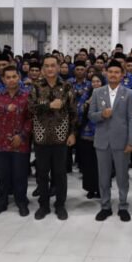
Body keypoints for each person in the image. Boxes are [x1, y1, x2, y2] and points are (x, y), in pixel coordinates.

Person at [28, 54, 78, 220]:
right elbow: (30, 108)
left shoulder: (67, 86)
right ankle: (43, 205)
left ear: (58, 67)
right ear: (43, 69)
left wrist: (72, 133)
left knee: (60, 174)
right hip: (41, 136)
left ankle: (60, 205)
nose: (50, 68)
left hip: (61, 137)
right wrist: (48, 105)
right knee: (42, 173)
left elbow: (73, 111)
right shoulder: (36, 87)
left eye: (53, 65)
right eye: (47, 66)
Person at [88, 60, 132, 221]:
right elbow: (91, 116)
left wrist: (131, 142)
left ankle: (123, 206)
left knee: (122, 177)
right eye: (110, 72)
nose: (113, 75)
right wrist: (102, 115)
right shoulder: (97, 92)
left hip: (122, 142)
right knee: (103, 177)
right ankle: (105, 206)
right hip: (102, 141)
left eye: (117, 72)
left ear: (122, 75)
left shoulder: (129, 93)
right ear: (106, 73)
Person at [0, 65, 32, 217]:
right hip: (1, 143)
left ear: (19, 78)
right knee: (2, 175)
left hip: (20, 143)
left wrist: (22, 136)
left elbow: (31, 119)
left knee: (20, 175)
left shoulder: (27, 96)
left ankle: (21, 201)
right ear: (3, 79)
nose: (11, 80)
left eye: (14, 77)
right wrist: (4, 108)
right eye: (8, 77)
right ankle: (2, 201)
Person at [78, 74, 103, 199]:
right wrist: (87, 103)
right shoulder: (86, 95)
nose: (96, 84)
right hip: (87, 135)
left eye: (98, 81)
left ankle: (101, 189)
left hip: (102, 133)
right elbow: (79, 110)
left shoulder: (107, 95)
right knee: (88, 164)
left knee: (102, 164)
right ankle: (90, 189)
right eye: (93, 81)